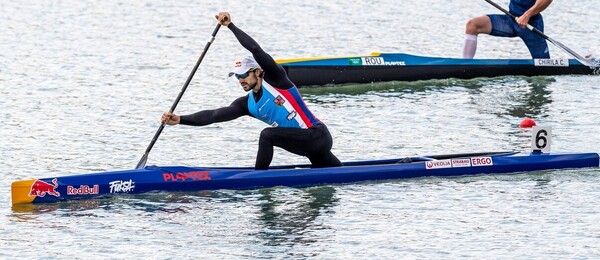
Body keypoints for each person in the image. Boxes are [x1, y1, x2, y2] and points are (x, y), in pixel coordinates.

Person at [161, 12, 343, 170]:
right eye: (237, 77)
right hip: (305, 147)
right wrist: (181, 120)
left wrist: (230, 26)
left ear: (257, 72)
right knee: (339, 174)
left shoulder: (276, 79)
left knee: (267, 135)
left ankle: (258, 180)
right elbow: (214, 115)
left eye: (243, 75)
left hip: (317, 135)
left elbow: (255, 49)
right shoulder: (247, 104)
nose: (240, 80)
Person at [462, 0, 552, 59]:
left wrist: (527, 15)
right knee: (473, 25)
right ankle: (465, 65)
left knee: (544, 64)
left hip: (531, 25)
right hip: (510, 20)